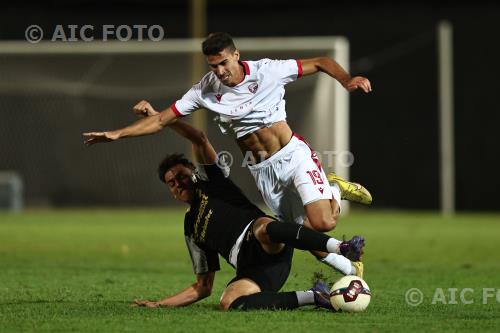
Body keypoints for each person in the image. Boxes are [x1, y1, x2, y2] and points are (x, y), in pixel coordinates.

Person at [83, 32, 371, 271]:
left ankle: (333, 189)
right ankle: (352, 273)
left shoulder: (268, 71)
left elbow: (321, 61)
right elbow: (161, 120)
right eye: (213, 66)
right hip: (262, 171)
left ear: (236, 55)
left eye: (223, 63)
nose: (220, 71)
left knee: (323, 223)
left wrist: (346, 80)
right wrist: (117, 134)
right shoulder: (205, 90)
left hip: (293, 155)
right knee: (299, 234)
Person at [133, 120, 364, 310]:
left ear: (194, 172)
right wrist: (159, 304)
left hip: (267, 241)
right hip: (255, 270)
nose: (178, 184)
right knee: (228, 302)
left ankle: (341, 247)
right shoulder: (190, 228)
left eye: (182, 176)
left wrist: (163, 119)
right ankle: (315, 296)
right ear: (171, 192)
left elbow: (199, 138)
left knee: (263, 229)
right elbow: (203, 287)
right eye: (171, 183)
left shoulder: (212, 183)